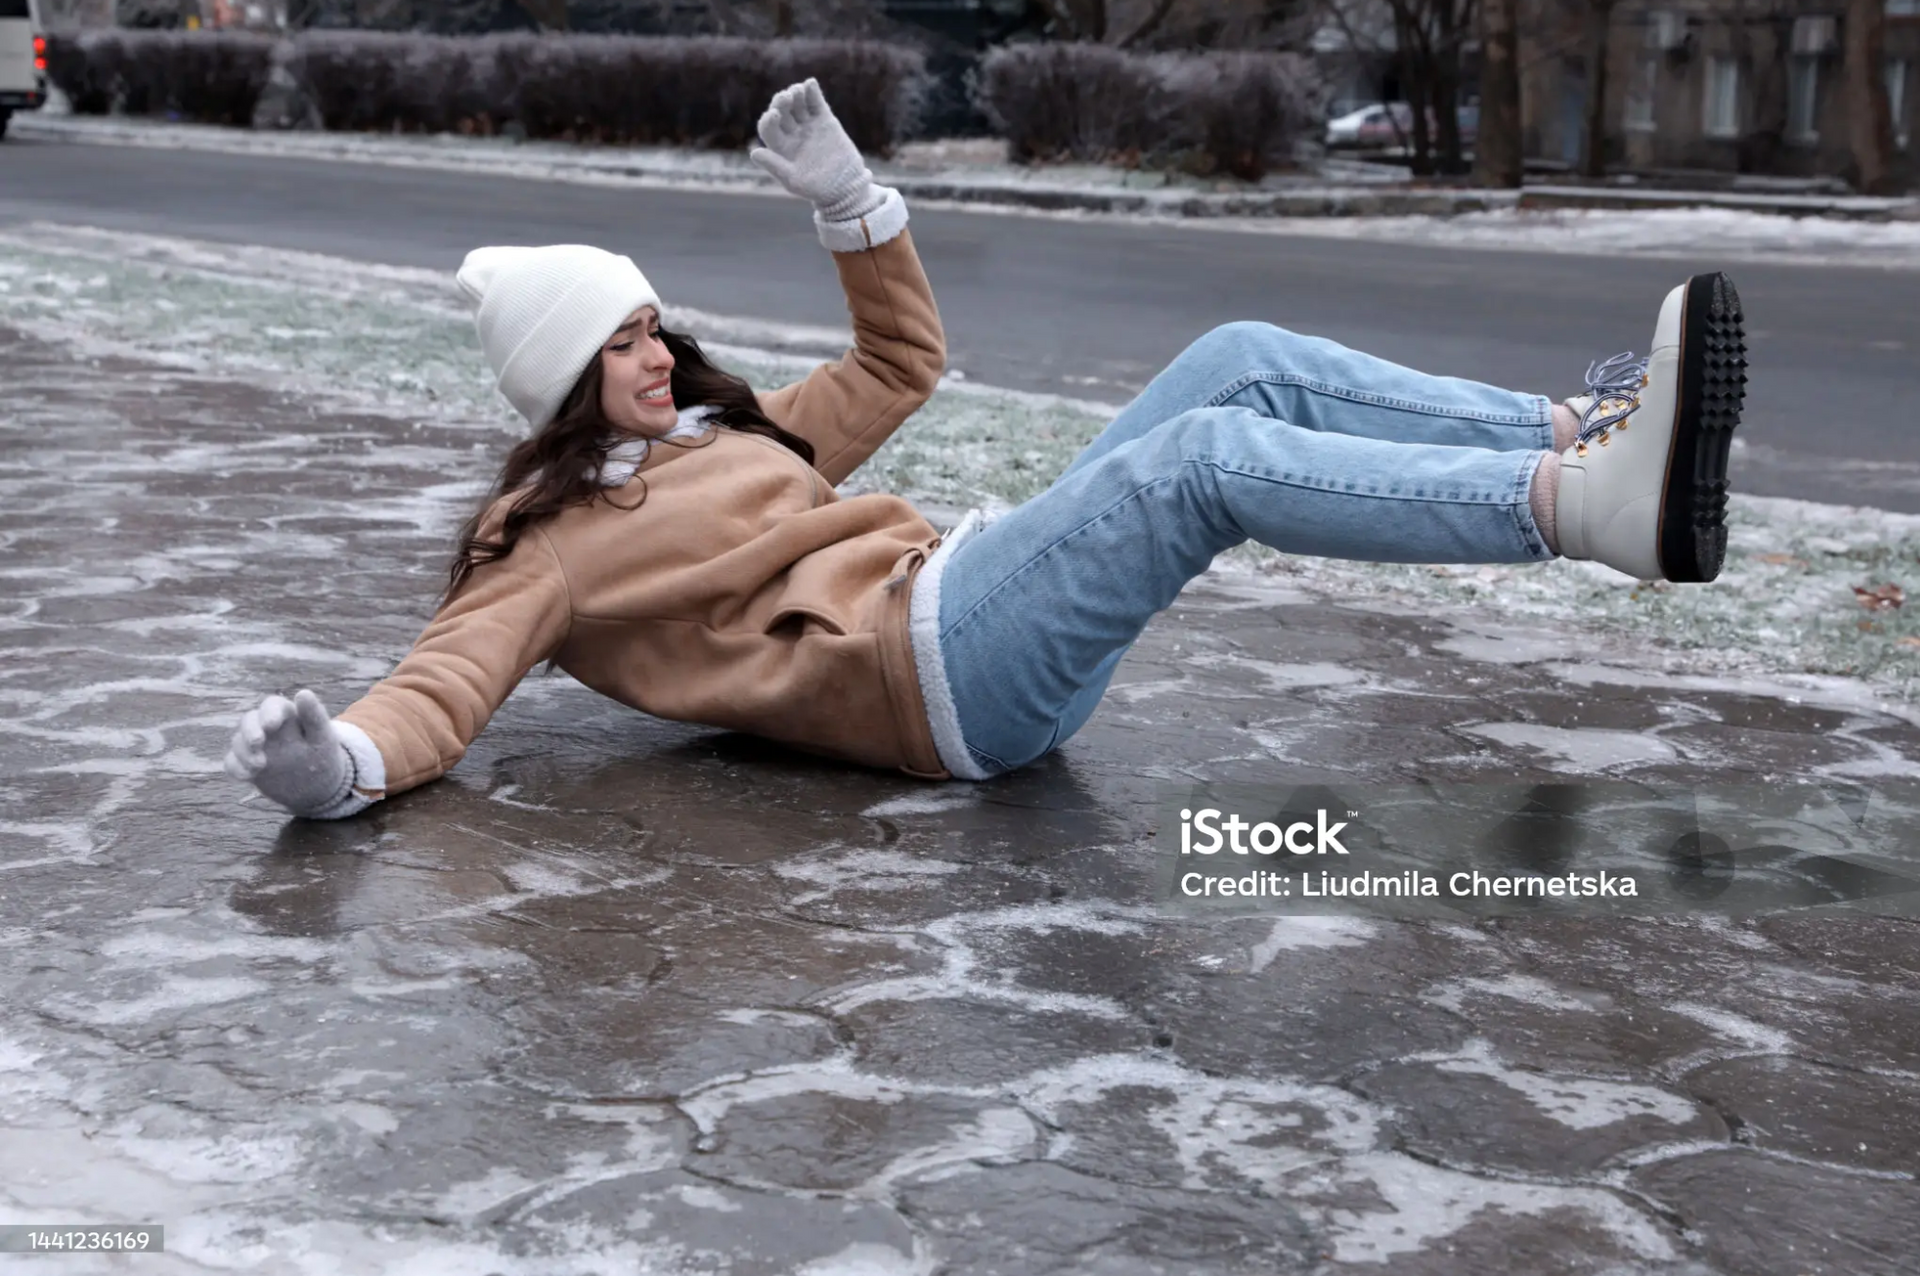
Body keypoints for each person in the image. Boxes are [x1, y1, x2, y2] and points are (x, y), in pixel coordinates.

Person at [222, 79, 1747, 819]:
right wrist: (336, 762)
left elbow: (904, 361)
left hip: (965, 597)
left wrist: (851, 206)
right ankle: (1585, 513)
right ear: (560, 383)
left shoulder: (724, 435)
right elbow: (445, 687)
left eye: (651, 328)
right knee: (1200, 457)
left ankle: (1591, 431)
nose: (655, 353)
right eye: (619, 342)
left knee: (1239, 361)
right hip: (933, 671)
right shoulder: (548, 549)